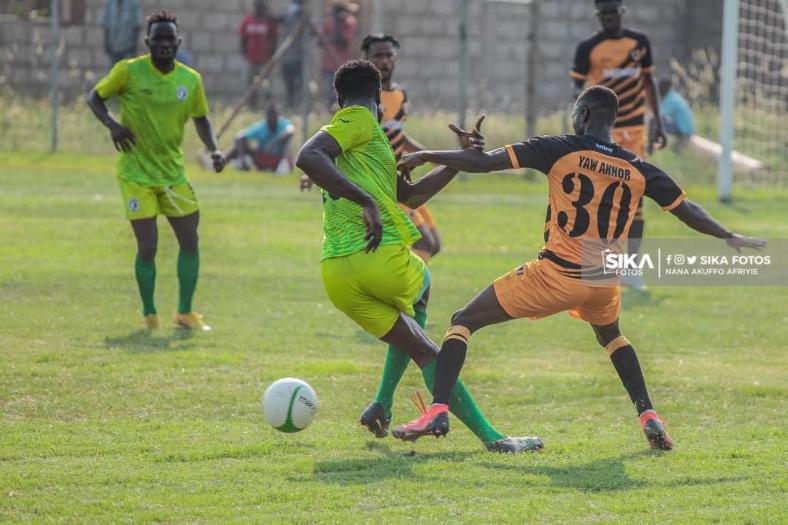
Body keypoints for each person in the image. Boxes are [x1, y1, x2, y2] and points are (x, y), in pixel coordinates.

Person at [393, 86, 766, 450]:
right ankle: (649, 415)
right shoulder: (638, 167)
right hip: (603, 277)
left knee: (462, 320)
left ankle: (439, 411)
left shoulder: (557, 148)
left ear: (584, 115)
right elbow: (689, 211)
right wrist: (728, 235)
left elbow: (484, 163)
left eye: (575, 112)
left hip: (557, 274)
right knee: (612, 337)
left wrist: (427, 154)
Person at [296, 59, 542, 453]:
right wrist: (365, 201)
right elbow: (308, 155)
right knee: (423, 287)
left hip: (336, 277)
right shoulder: (357, 119)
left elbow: (411, 196)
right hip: (378, 258)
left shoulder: (367, 144)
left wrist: (456, 160)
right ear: (379, 97)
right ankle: (477, 431)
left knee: (421, 345)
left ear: (336, 96)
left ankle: (383, 405)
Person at [87, 11, 226, 332]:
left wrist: (214, 149)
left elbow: (201, 118)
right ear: (147, 42)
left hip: (173, 175)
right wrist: (113, 126)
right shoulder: (129, 72)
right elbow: (95, 97)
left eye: (170, 39)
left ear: (178, 42)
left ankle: (185, 313)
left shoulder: (190, 80)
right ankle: (150, 314)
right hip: (136, 174)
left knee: (190, 240)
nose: (164, 44)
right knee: (148, 247)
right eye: (158, 39)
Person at [571, 0, 666, 290]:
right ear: (598, 15)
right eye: (604, 14)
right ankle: (593, 266)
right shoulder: (587, 48)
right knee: (599, 198)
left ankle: (629, 269)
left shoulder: (639, 42)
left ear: (622, 12)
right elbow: (578, 91)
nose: (610, 18)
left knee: (635, 199)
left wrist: (658, 123)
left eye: (614, 13)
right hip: (602, 132)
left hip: (635, 131)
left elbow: (648, 83)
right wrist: (579, 126)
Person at [362, 33, 442, 263]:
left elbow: (398, 135)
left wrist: (429, 155)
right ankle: (403, 293)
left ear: (395, 58)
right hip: (381, 184)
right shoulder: (365, 99)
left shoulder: (400, 94)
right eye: (377, 55)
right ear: (366, 58)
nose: (384, 61)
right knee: (424, 243)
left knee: (433, 244)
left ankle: (395, 285)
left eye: (388, 55)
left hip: (399, 180)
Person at [224, 102, 295, 173]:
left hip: (278, 158)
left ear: (278, 116)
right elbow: (239, 137)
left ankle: (283, 165)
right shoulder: (261, 126)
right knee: (237, 147)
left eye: (274, 115)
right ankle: (222, 161)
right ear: (266, 116)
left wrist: (274, 142)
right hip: (263, 157)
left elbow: (291, 131)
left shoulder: (283, 124)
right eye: (270, 115)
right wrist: (243, 160)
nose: (272, 118)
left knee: (287, 140)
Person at [239, 0, 278, 109]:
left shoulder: (268, 22)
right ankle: (252, 108)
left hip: (265, 60)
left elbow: (274, 39)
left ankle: (268, 108)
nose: (259, 8)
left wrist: (271, 56)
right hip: (251, 60)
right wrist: (246, 55)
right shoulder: (247, 21)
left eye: (261, 6)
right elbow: (243, 40)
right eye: (257, 6)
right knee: (250, 86)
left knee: (267, 87)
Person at [320, 1, 359, 110]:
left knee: (342, 91)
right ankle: (328, 112)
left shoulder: (349, 22)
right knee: (328, 92)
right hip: (329, 63)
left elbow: (344, 41)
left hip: (343, 63)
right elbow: (320, 40)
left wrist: (338, 25)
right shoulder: (328, 22)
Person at [279, 0, 306, 109]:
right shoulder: (287, 15)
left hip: (297, 57)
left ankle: (296, 104)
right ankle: (291, 103)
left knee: (297, 82)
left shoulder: (303, 16)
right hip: (287, 56)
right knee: (289, 82)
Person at [656, 77, 695, 153]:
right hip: (685, 128)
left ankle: (653, 148)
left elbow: (659, 116)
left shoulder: (670, 99)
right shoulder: (673, 95)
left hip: (683, 130)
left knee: (654, 122)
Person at [99, 0, 144, 64]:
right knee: (115, 71)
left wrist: (134, 45)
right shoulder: (109, 3)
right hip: (113, 47)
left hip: (128, 48)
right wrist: (106, 43)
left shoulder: (133, 3)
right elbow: (105, 25)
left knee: (128, 70)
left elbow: (137, 25)